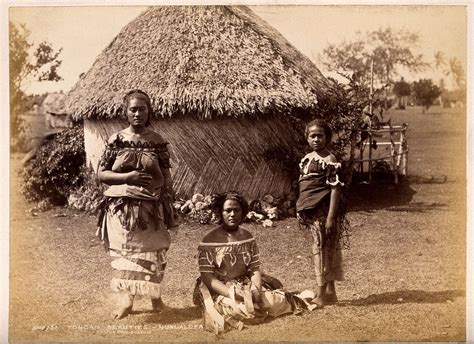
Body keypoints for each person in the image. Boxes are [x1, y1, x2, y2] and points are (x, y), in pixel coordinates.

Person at [96, 89, 176, 319]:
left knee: (154, 252)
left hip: (151, 208)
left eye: (142, 108)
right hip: (122, 210)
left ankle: (156, 299)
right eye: (133, 109)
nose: (138, 113)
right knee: (128, 254)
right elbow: (102, 174)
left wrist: (167, 198)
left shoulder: (157, 141)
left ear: (149, 111)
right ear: (125, 112)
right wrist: (127, 177)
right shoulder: (116, 140)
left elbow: (166, 174)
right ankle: (126, 302)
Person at [193, 191, 317, 334]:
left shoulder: (247, 237)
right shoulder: (209, 240)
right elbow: (208, 277)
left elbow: (254, 268)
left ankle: (296, 299)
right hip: (219, 288)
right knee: (240, 308)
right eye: (227, 210)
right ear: (220, 212)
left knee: (270, 302)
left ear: (243, 212)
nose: (232, 214)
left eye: (236, 210)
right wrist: (232, 294)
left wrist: (256, 289)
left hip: (244, 283)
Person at [296, 118, 350, 308]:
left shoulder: (329, 160)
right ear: (307, 138)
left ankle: (320, 295)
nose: (316, 139)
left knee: (321, 251)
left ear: (327, 138)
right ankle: (331, 292)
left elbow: (335, 189)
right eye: (313, 136)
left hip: (323, 212)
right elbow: (305, 188)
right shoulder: (307, 158)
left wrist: (330, 218)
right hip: (311, 212)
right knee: (324, 250)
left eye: (320, 135)